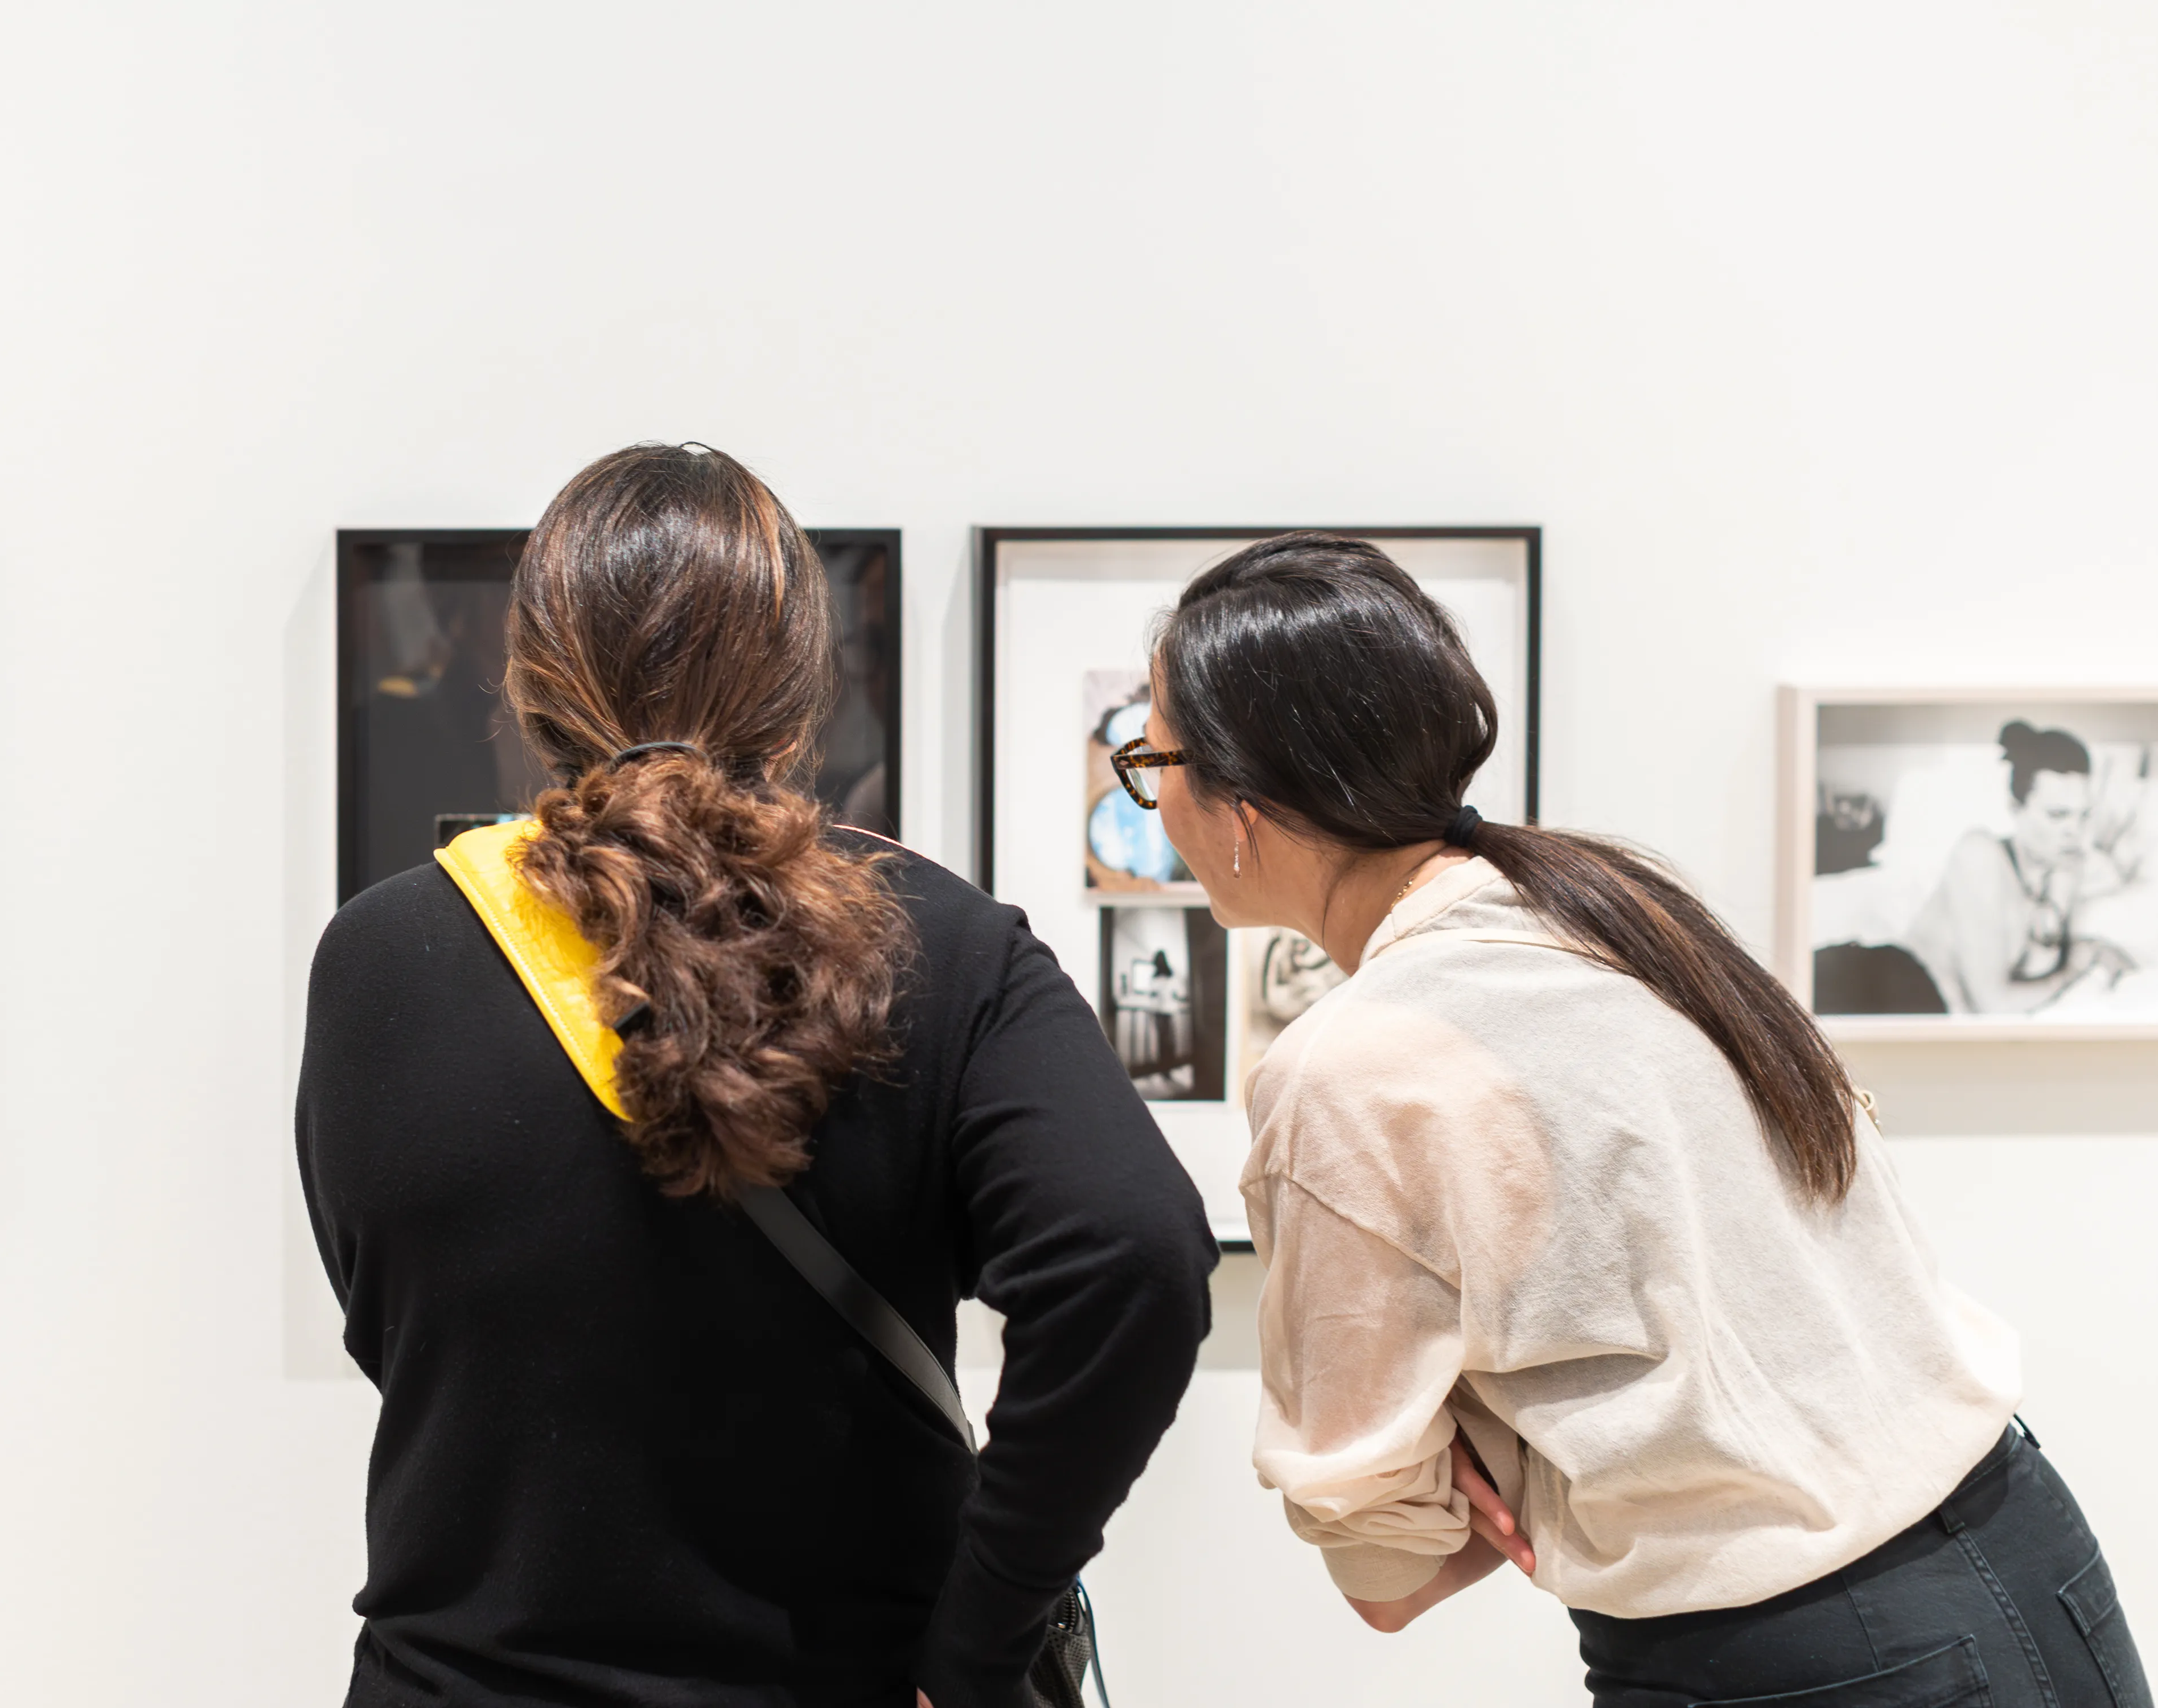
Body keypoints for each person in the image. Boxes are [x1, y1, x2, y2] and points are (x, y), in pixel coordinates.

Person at [1118, 531, 2146, 1706]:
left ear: (1243, 804)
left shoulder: (1347, 1068)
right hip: (2030, 1545)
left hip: (1793, 1653)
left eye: (1157, 764)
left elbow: (1386, 1568)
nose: (1160, 810)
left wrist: (1485, 1447)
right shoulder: (1616, 905)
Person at [297, 444, 1215, 1708]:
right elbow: (1140, 1260)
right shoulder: (934, 940)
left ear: (528, 684)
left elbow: (384, 1320)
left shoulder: (380, 954)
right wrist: (984, 1633)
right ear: (803, 693)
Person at [1894, 720, 2140, 1013]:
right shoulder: (1980, 854)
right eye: (2058, 815)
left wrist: (2065, 897)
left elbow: (2037, 963)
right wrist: (2077, 965)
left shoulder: (2062, 869)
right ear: (2016, 808)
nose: (2074, 831)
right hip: (1884, 988)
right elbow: (1994, 1004)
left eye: (2083, 816)